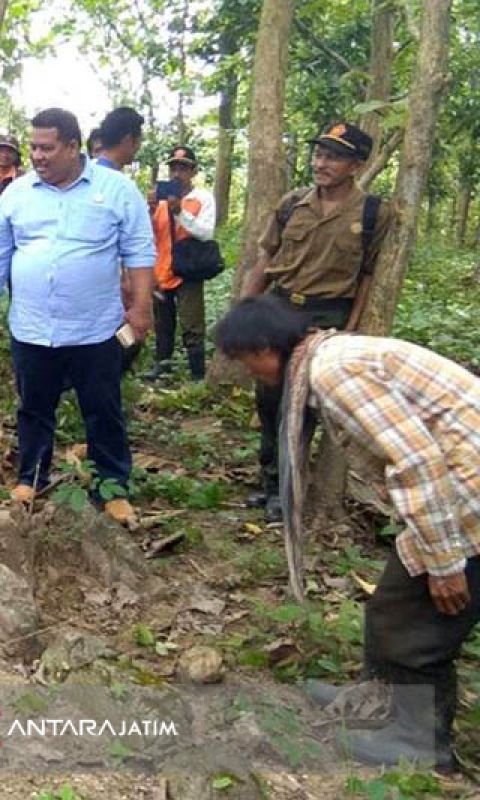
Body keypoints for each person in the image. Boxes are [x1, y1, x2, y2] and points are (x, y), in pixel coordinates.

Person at [214, 295, 480, 773]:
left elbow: (416, 461)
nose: (251, 376)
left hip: (468, 488)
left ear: (265, 348)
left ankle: (420, 742)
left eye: (248, 364)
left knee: (413, 621)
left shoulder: (334, 375)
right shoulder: (331, 358)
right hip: (458, 482)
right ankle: (378, 700)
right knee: (393, 605)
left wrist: (444, 563)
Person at [0, 108, 155, 525]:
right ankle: (30, 478)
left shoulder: (117, 190)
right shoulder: (17, 194)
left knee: (102, 407)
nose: (37, 155)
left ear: (73, 147)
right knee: (34, 407)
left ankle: (112, 486)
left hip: (95, 329)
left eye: (47, 147)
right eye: (33, 147)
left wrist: (141, 308)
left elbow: (140, 253)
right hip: (33, 327)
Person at [239, 121, 392, 522]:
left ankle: (290, 492)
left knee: (302, 405)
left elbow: (368, 277)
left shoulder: (374, 213)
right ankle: (270, 482)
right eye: (319, 154)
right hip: (280, 308)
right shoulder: (292, 204)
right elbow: (266, 260)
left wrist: (350, 329)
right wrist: (243, 309)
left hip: (326, 315)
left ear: (356, 165)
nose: (321, 163)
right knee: (269, 400)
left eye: (334, 157)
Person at [146, 145, 216, 381]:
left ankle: (197, 373)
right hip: (162, 269)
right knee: (162, 322)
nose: (177, 173)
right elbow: (149, 235)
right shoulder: (161, 200)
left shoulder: (202, 198)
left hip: (188, 269)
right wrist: (149, 209)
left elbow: (205, 233)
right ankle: (162, 365)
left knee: (192, 322)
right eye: (174, 168)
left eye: (183, 168)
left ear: (193, 171)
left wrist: (180, 213)